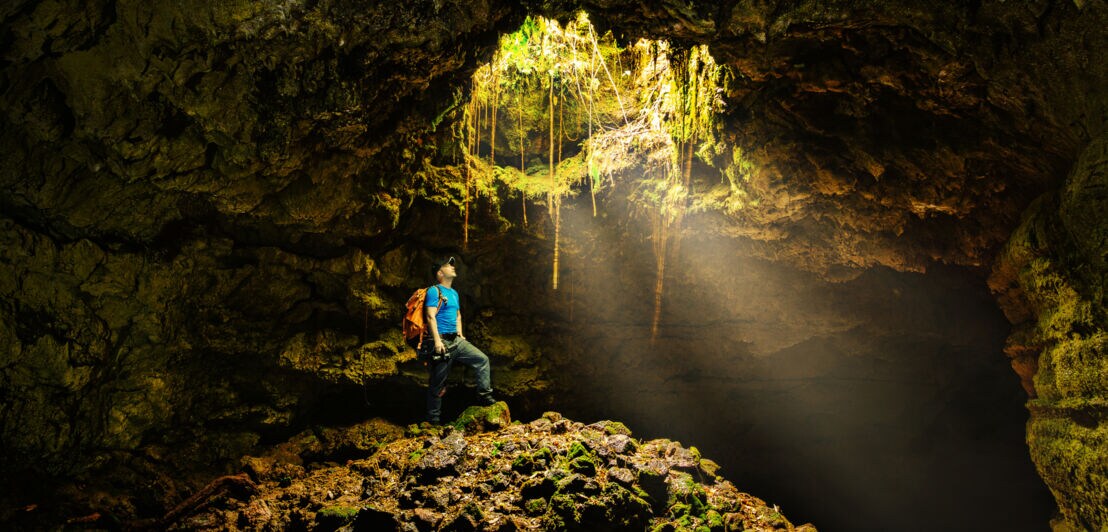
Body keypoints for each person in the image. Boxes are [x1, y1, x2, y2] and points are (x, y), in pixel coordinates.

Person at [424, 256, 496, 424]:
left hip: (456, 341)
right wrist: (436, 341)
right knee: (437, 384)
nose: (452, 267)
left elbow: (458, 315)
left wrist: (460, 333)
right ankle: (432, 421)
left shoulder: (454, 293)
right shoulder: (435, 291)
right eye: (448, 265)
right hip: (442, 341)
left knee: (482, 360)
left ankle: (485, 395)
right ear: (440, 272)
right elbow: (430, 316)